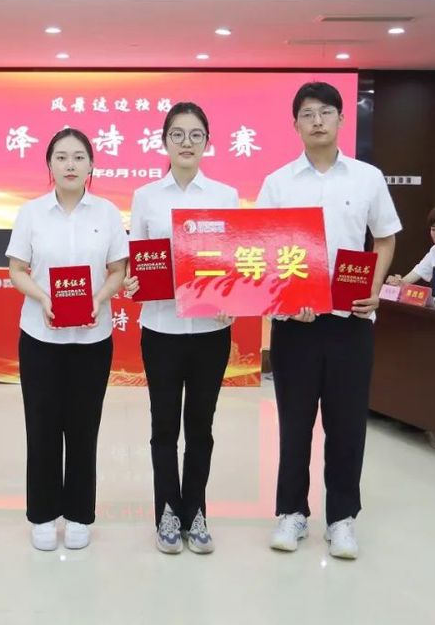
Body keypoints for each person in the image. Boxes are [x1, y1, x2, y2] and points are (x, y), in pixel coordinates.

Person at [257, 82, 401, 560]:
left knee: (347, 424)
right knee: (294, 424)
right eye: (307, 113)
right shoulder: (278, 183)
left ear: (341, 119)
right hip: (294, 323)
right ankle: (291, 513)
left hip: (350, 321)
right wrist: (285, 296)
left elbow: (384, 238)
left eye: (325, 112)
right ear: (295, 124)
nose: (316, 120)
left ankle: (341, 518)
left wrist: (374, 288)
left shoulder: (367, 178)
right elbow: (264, 248)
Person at [6, 128, 128, 552]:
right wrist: (42, 297)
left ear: (91, 164)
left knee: (83, 427)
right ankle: (42, 514)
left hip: (92, 338)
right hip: (40, 337)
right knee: (41, 427)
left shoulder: (107, 213)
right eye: (61, 157)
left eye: (78, 157)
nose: (70, 165)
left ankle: (78, 514)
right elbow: (17, 269)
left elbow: (118, 269)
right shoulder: (31, 214)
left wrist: (99, 298)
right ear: (49, 165)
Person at [125, 102, 239, 555]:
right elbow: (138, 258)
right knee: (164, 427)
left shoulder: (226, 196)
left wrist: (234, 298)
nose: (186, 143)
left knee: (201, 428)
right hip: (161, 328)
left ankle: (196, 512)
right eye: (177, 134)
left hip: (211, 330)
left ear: (208, 142)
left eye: (195, 135)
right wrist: (135, 281)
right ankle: (168, 513)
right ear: (164, 141)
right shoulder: (146, 196)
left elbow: (235, 261)